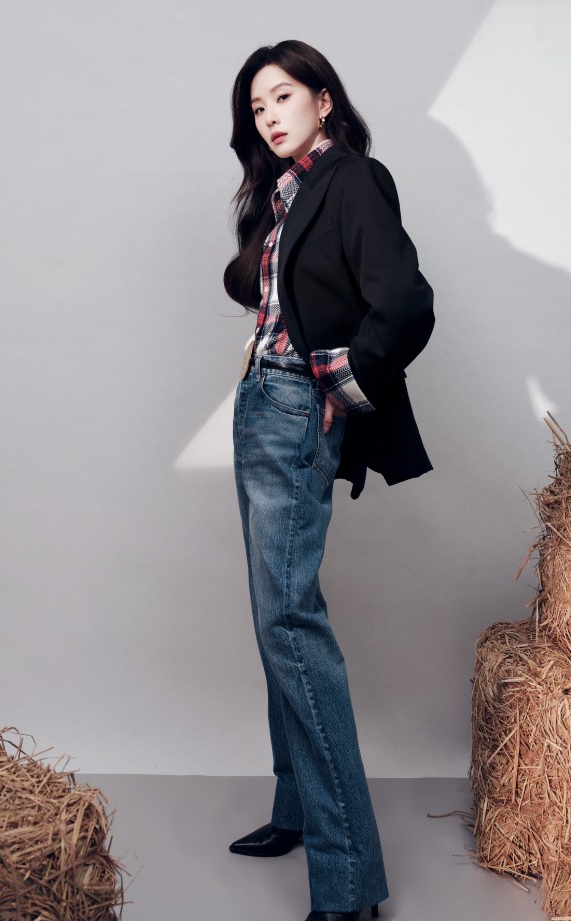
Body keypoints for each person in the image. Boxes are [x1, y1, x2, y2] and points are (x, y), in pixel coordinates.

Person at [223, 40, 434, 921]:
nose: (269, 115)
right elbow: (279, 297)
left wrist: (339, 379)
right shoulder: (286, 193)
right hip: (258, 402)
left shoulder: (351, 179)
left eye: (281, 96)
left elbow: (407, 300)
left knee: (290, 621)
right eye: (256, 106)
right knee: (273, 617)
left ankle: (348, 880)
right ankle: (299, 805)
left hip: (293, 407)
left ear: (323, 98)